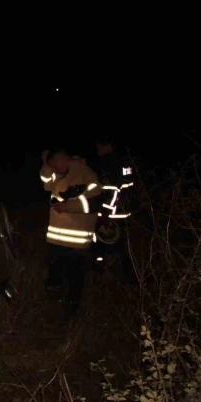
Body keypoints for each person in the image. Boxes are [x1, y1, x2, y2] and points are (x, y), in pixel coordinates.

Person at [40, 148, 103, 319]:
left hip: (77, 241)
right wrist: (46, 164)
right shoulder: (59, 174)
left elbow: (95, 202)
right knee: (54, 273)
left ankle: (72, 310)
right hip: (57, 239)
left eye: (55, 166)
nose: (54, 170)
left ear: (62, 160)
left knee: (74, 275)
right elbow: (46, 182)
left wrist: (68, 206)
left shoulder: (86, 174)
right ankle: (53, 306)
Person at [91, 137, 137, 283]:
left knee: (103, 248)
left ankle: (104, 278)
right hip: (123, 213)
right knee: (123, 249)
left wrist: (105, 213)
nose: (97, 150)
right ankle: (128, 279)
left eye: (99, 147)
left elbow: (111, 190)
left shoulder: (109, 163)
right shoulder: (125, 162)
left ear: (107, 146)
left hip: (111, 216)